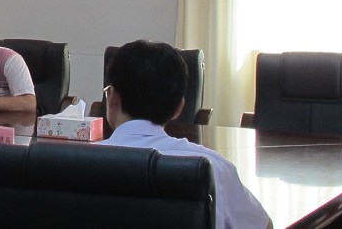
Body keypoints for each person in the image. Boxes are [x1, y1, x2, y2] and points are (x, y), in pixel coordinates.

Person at [100, 40, 271, 229]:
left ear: (112, 98)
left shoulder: (76, 163)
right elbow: (262, 225)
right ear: (178, 108)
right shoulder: (211, 167)